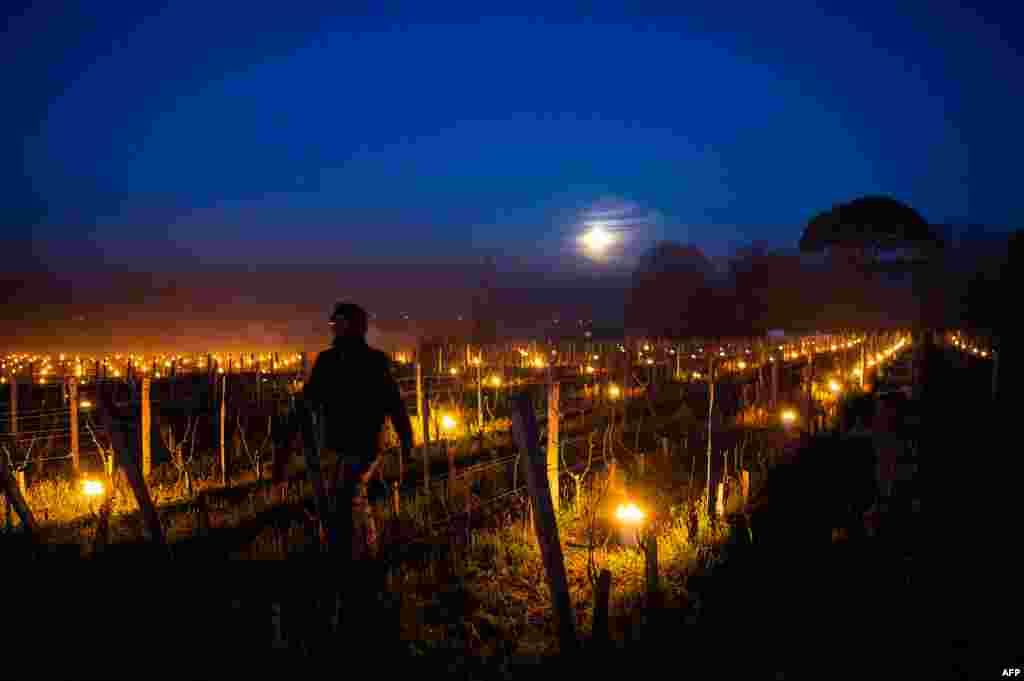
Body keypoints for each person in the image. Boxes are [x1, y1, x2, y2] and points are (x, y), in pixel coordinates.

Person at [302, 301, 414, 562]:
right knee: (347, 495)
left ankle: (356, 555)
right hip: (343, 442)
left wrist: (407, 440)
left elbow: (393, 402)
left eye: (338, 323)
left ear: (353, 326)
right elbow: (311, 398)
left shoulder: (367, 361)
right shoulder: (330, 361)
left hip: (365, 443)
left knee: (347, 494)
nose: (334, 328)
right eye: (333, 324)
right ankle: (357, 551)